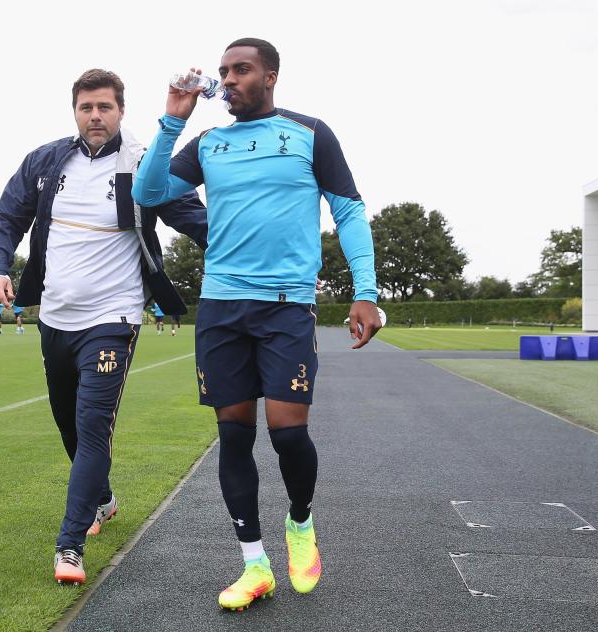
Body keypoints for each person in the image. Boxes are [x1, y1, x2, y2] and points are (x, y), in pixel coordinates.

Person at [133, 38, 381, 611]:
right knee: (234, 435)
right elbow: (148, 193)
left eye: (240, 70)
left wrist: (365, 293)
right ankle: (254, 564)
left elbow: (348, 210)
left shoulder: (309, 133)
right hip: (221, 308)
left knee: (289, 433)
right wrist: (172, 121)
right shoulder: (208, 144)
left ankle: (300, 523)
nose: (229, 80)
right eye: (223, 72)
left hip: (286, 306)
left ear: (270, 75)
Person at [0, 69, 206, 586]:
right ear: (76, 112)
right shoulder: (44, 162)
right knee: (67, 422)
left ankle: (70, 544)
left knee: (91, 424)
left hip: (115, 316)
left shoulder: (143, 163)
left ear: (121, 110)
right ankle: (102, 500)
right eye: (87, 108)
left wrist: (250, 254)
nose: (96, 116)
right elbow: (7, 218)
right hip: (55, 317)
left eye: (105, 107)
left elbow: (191, 216)